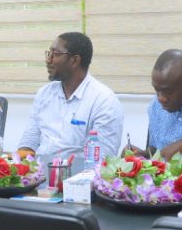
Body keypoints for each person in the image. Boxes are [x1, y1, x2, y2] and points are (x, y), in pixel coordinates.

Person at [18, 32, 123, 162]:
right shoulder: (44, 94)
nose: (48, 60)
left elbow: (103, 160)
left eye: (56, 54)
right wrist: (21, 167)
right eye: (49, 53)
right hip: (38, 175)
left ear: (74, 60)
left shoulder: (104, 101)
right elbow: (30, 140)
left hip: (77, 178)